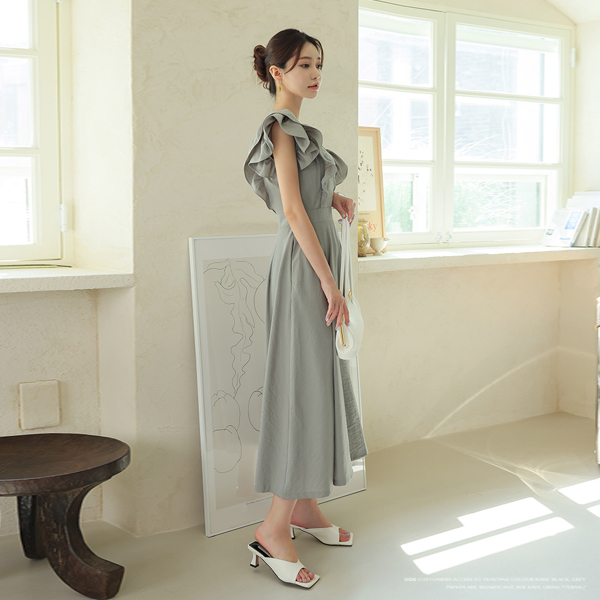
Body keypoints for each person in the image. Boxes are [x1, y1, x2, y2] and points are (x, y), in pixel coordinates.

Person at [243, 28, 368, 589]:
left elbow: (303, 199)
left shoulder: (298, 129)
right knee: (301, 390)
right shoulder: (279, 128)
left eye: (319, 64)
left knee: (318, 386)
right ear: (277, 72)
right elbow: (291, 212)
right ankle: (272, 528)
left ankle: (306, 509)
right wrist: (329, 284)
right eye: (304, 65)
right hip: (304, 270)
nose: (315, 74)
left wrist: (331, 197)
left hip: (314, 264)